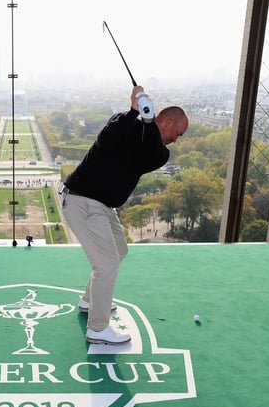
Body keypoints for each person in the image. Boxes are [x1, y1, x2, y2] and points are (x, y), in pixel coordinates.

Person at [61, 85, 188, 345]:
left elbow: (151, 150)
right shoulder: (124, 125)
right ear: (169, 121)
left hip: (103, 207)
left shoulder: (160, 152)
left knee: (119, 251)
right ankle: (97, 329)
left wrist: (149, 121)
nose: (178, 138)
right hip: (83, 201)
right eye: (179, 132)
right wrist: (134, 112)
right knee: (106, 264)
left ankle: (89, 301)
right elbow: (105, 139)